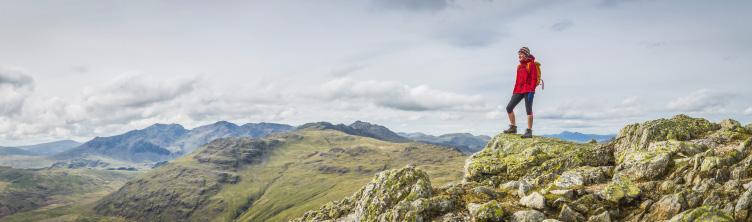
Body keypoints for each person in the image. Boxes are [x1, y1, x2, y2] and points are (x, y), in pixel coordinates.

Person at [503, 47, 539, 138]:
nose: (519, 55)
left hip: (528, 90)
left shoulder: (531, 65)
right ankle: (513, 127)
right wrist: (514, 92)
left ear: (526, 55)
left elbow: (534, 79)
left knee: (528, 110)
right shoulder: (519, 66)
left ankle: (529, 131)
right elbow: (517, 81)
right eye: (519, 54)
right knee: (509, 107)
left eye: (521, 54)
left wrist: (532, 91)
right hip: (518, 90)